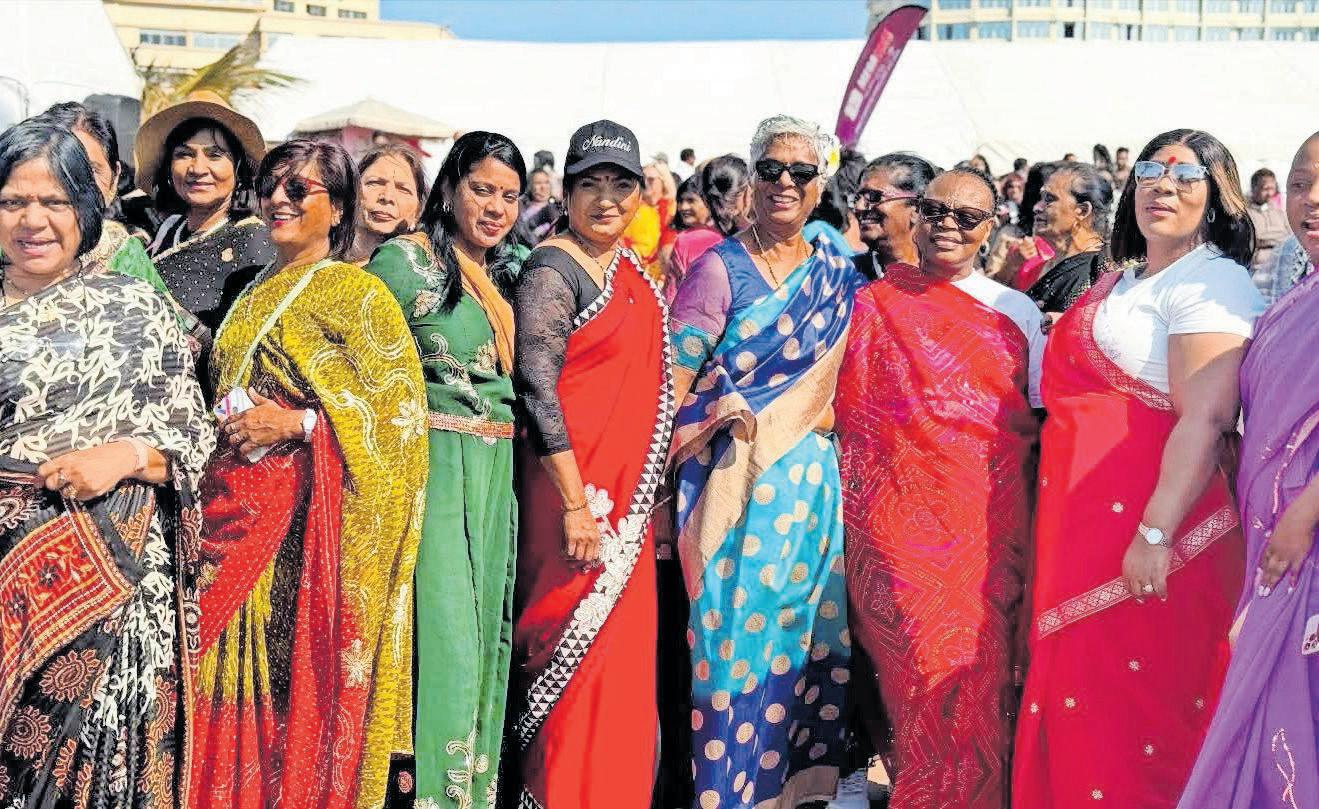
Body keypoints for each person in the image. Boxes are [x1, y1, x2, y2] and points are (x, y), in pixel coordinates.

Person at [1013, 129, 1265, 809]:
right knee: (1083, 708)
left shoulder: (1213, 280)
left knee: (1141, 724)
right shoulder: (1123, 278)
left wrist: (1153, 534)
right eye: (1151, 170)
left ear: (1217, 198)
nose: (1163, 185)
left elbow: (1205, 418)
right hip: (1078, 532)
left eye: (1186, 175)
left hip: (1158, 543)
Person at [189, 139, 427, 809]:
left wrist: (296, 425)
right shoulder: (252, 288)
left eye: (300, 190)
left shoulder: (358, 295)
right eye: (271, 187)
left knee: (282, 701)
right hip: (225, 516)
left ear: (340, 207)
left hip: (299, 535)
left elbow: (399, 423)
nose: (279, 201)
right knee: (212, 682)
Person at [0, 120, 214, 808]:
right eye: (11, 201)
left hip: (106, 598)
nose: (33, 220)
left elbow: (194, 440)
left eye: (54, 202)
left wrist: (119, 456)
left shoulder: (137, 310)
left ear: (84, 212)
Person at [834, 167, 1042, 809]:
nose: (949, 223)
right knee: (916, 675)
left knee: (978, 678)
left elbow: (1032, 421)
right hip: (894, 527)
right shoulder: (872, 302)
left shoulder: (1015, 311)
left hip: (984, 526)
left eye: (968, 215)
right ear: (916, 217)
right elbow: (852, 412)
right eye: (936, 210)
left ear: (991, 229)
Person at [669, 115, 859, 809]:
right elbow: (671, 387)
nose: (784, 182)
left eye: (800, 173)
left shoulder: (834, 273)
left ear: (819, 187)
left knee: (803, 642)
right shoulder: (718, 269)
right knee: (728, 656)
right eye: (771, 169)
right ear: (751, 178)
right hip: (731, 489)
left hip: (809, 491)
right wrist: (726, 407)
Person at [509, 120, 673, 809]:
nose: (606, 200)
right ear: (567, 193)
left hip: (626, 517)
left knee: (623, 670)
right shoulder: (553, 270)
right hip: (572, 502)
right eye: (590, 185)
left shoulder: (631, 270)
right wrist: (577, 503)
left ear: (640, 194)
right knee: (571, 662)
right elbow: (536, 388)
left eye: (620, 185)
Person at [362, 131, 524, 809]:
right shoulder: (405, 261)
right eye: (481, 189)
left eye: (509, 196)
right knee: (447, 647)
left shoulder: (513, 271)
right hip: (434, 474)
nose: (494, 207)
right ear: (451, 186)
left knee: (487, 645)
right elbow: (348, 351)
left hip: (496, 478)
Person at [1176, 131, 1319, 809]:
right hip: (1272, 538)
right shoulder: (1296, 296)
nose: (1309, 200)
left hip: (1303, 539)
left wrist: (1302, 515)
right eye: (1297, 183)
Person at [135, 92, 275, 394]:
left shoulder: (254, 241)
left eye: (215, 155)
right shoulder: (168, 232)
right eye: (184, 154)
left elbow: (254, 353)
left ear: (238, 168)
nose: (198, 168)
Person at [28, 103, 194, 324]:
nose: (77, 181)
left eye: (92, 169)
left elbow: (170, 336)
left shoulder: (124, 253)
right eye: (63, 166)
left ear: (114, 178)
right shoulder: (10, 243)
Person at [1019, 161, 1112, 320]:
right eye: (1041, 197)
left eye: (1049, 199)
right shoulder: (1053, 262)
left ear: (1082, 211)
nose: (1037, 207)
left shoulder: (1098, 272)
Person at [666, 155, 752, 303]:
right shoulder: (770, 237)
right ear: (747, 191)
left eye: (691, 200)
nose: (684, 207)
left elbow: (671, 300)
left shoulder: (688, 241)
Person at [852, 152, 936, 280]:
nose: (859, 206)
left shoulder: (944, 279)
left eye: (874, 196)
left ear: (917, 209)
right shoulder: (840, 276)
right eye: (857, 198)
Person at [346, 143, 427, 264]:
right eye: (375, 183)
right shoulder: (319, 262)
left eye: (403, 189)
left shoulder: (421, 275)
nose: (387, 197)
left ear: (417, 212)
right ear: (352, 192)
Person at [1245, 167, 1289, 292]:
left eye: (1272, 188)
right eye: (1265, 189)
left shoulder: (1279, 212)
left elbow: (1292, 236)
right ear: (1254, 189)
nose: (1270, 193)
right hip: (1259, 269)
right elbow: (1250, 245)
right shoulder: (1246, 215)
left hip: (1284, 264)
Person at [520, 167, 563, 245]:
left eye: (546, 182)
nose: (543, 187)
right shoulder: (521, 208)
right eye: (538, 183)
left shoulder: (558, 207)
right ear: (529, 186)